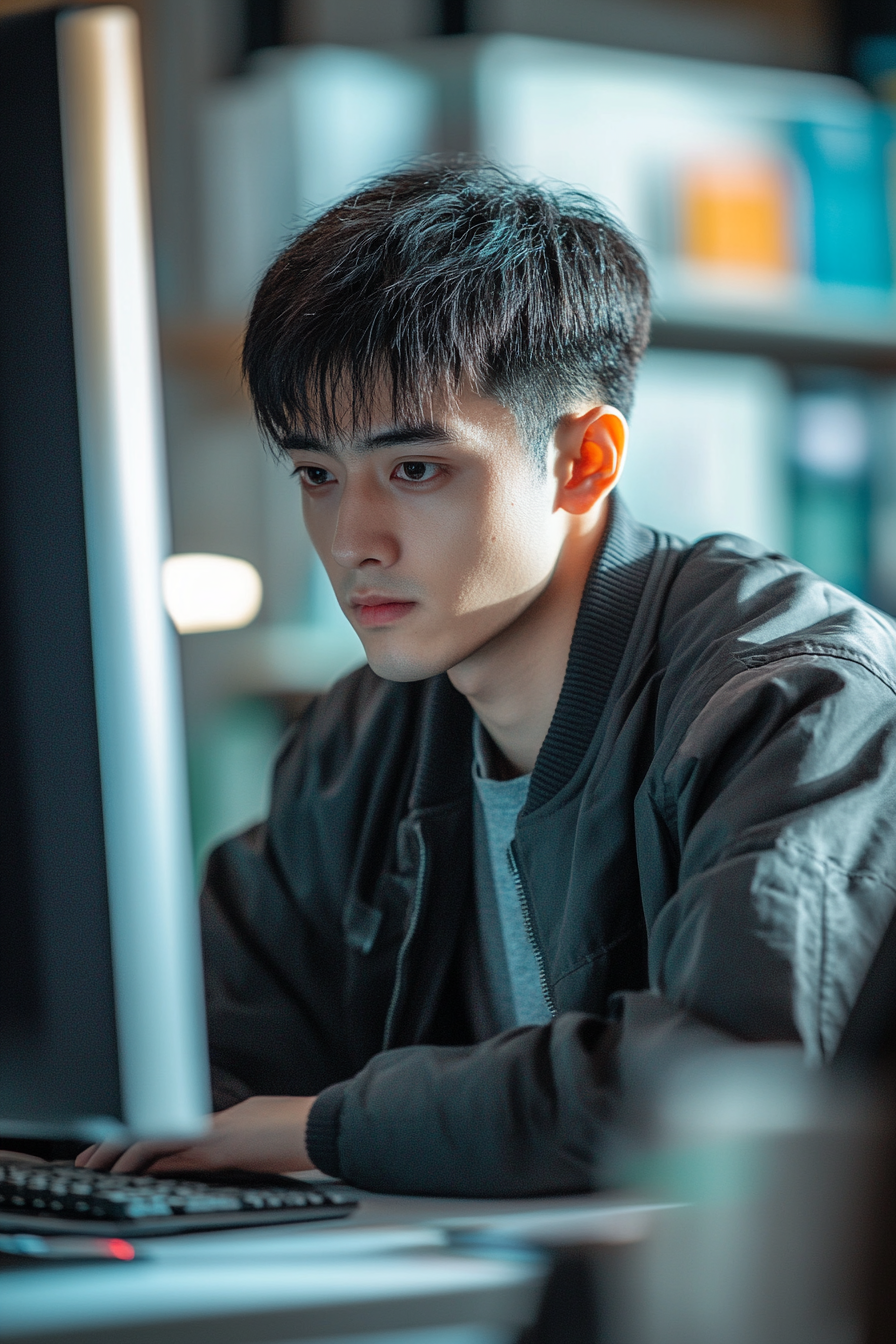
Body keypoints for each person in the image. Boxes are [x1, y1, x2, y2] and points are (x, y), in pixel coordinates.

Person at [78, 162, 896, 1194]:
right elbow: (200, 1068)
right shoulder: (357, 737)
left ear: (583, 462)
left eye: (415, 469)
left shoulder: (792, 701)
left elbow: (721, 1092)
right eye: (316, 476)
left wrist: (328, 1126)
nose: (349, 541)